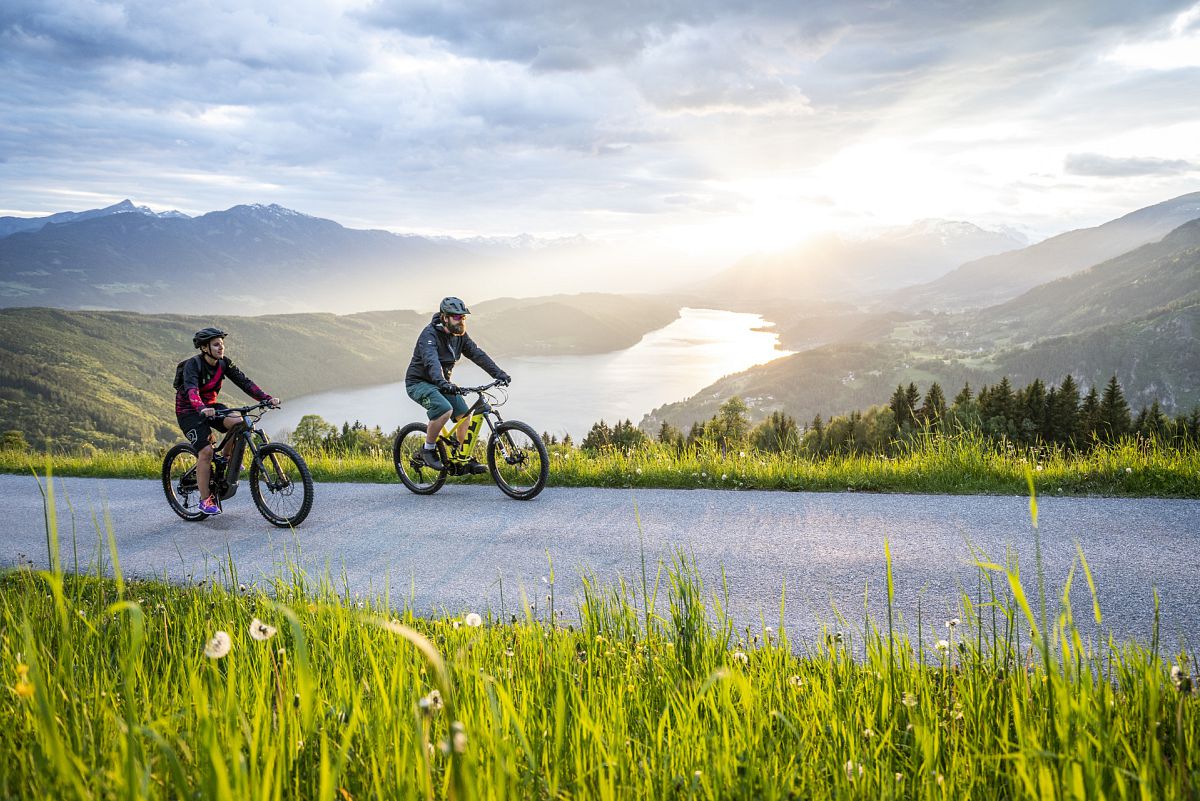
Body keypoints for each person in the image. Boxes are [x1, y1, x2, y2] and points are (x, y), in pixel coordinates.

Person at [175, 327, 280, 515]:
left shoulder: (224, 364)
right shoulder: (193, 365)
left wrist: (266, 398)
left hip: (211, 407)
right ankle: (205, 500)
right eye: (216, 345)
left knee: (239, 422)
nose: (220, 348)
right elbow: (192, 390)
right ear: (205, 347)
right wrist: (201, 408)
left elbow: (245, 382)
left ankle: (226, 457)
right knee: (206, 451)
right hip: (190, 411)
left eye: (222, 344)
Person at [405, 297, 511, 471]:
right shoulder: (429, 335)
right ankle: (428, 449)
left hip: (441, 383)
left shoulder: (459, 336)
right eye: (456, 317)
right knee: (444, 410)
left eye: (463, 317)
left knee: (464, 414)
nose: (461, 320)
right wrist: (442, 382)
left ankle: (462, 459)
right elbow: (432, 363)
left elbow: (477, 354)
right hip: (419, 383)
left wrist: (499, 373)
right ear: (444, 317)